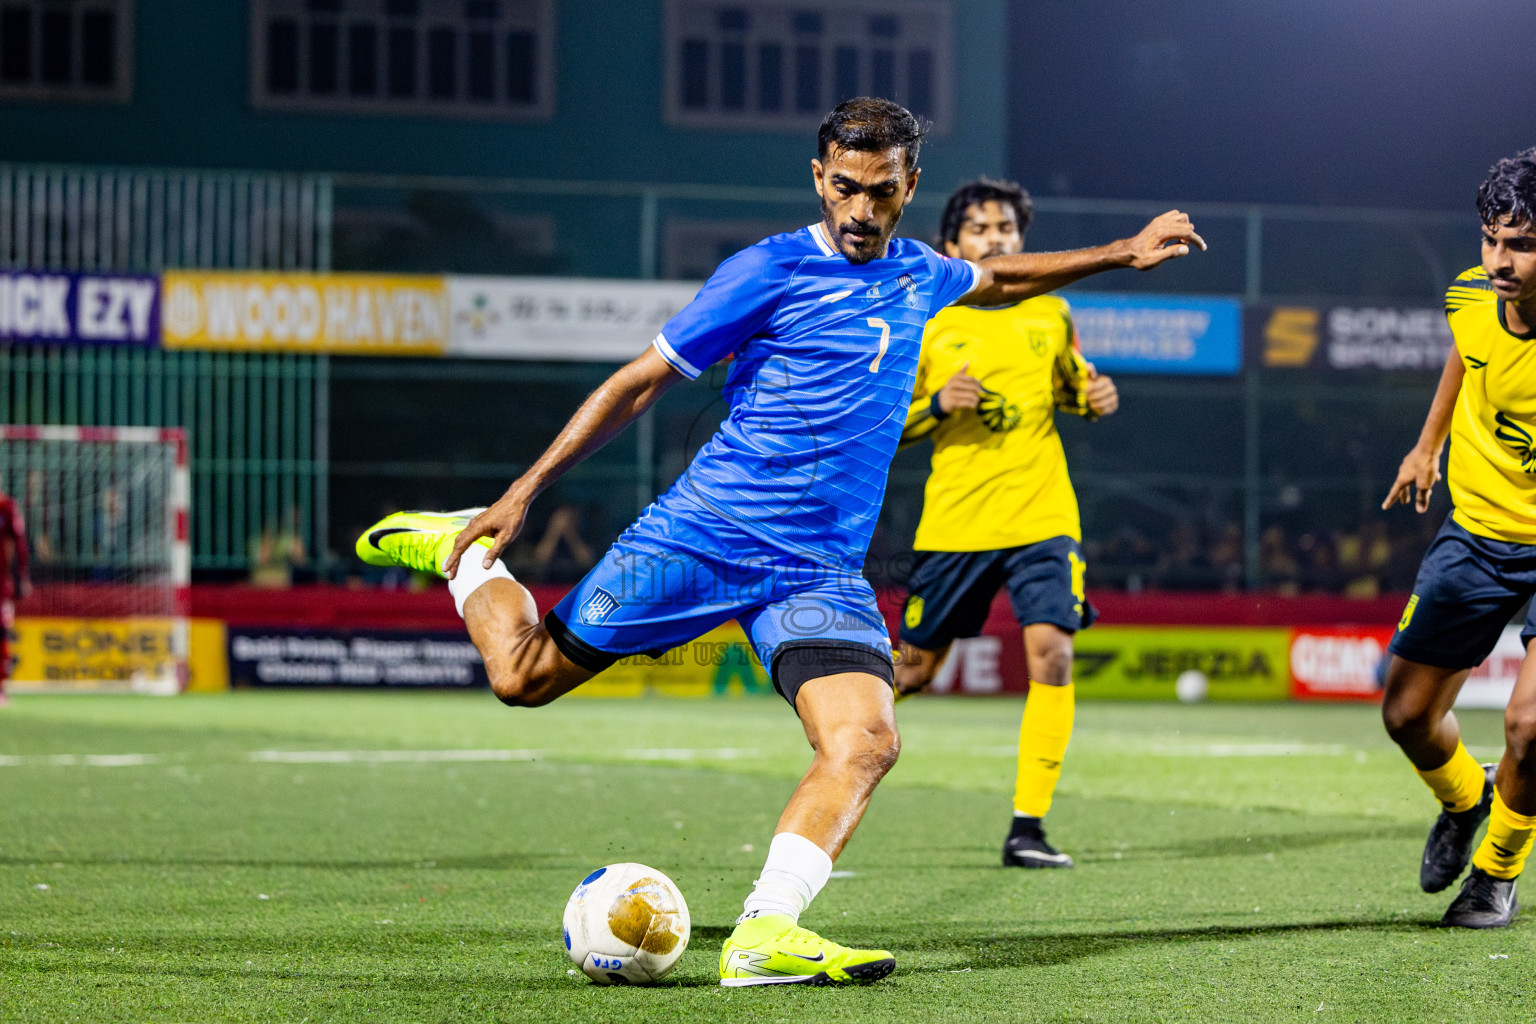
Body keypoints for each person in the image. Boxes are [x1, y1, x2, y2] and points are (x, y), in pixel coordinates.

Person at [358, 98, 1203, 985]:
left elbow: (999, 280)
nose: (861, 211)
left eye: (881, 192)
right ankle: (469, 558)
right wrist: (523, 492)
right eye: (845, 188)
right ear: (818, 179)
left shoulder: (922, 272)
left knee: (868, 742)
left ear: (910, 186)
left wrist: (1120, 252)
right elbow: (640, 381)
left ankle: (764, 932)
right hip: (703, 536)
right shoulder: (765, 271)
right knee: (521, 679)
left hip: (817, 572)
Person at [893, 179, 1118, 869]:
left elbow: (1071, 385)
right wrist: (935, 402)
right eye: (981, 229)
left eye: (1007, 229)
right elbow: (883, 424)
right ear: (952, 244)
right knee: (914, 669)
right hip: (957, 521)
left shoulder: (1051, 310)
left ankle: (1029, 827)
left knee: (1052, 651)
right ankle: (833, 762)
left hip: (1043, 512)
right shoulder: (925, 315)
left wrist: (1094, 397)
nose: (997, 239)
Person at [1380, 146, 1536, 929]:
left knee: (1532, 725)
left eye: (1524, 244)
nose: (1501, 261)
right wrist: (1426, 445)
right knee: (1406, 716)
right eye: (1491, 239)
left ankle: (1497, 872)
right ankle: (1465, 798)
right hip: (1478, 527)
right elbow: (1470, 356)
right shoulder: (1469, 296)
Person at [0, 491, 31, 706]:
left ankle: (0, 687)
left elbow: (20, 544)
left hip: (0, 585)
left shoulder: (7, 507)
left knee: (2, 633)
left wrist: (23, 576)